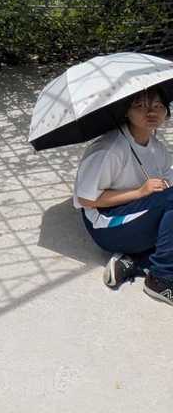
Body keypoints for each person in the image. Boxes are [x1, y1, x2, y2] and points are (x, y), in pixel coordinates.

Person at [73, 84, 173, 306]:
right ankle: (160, 279)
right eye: (140, 106)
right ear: (126, 111)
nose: (151, 112)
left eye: (158, 106)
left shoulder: (157, 147)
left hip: (137, 212)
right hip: (106, 224)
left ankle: (133, 261)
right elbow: (85, 200)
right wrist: (140, 191)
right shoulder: (109, 149)